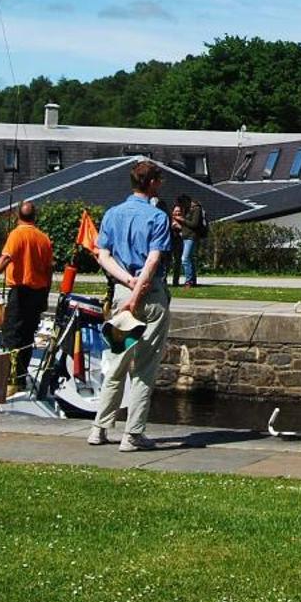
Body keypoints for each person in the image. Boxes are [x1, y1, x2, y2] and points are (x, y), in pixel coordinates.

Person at [88, 161, 172, 450]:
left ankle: (99, 428)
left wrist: (126, 281)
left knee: (116, 364)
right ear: (150, 183)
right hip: (148, 295)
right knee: (144, 368)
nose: (160, 185)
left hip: (123, 293)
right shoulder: (157, 217)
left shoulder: (112, 214)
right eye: (159, 180)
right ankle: (132, 434)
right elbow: (153, 258)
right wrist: (139, 289)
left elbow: (102, 254)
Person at [0, 200, 54, 388]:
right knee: (28, 336)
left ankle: (9, 378)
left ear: (17, 216)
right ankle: (20, 376)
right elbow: (48, 271)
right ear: (35, 217)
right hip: (38, 293)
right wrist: (45, 295)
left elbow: (6, 257)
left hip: (20, 293)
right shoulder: (44, 239)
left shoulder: (16, 234)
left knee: (12, 335)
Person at [168, 195, 203, 289]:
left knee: (185, 258)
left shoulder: (196, 209)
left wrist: (181, 220)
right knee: (190, 259)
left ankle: (189, 281)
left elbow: (194, 224)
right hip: (185, 236)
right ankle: (193, 280)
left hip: (191, 236)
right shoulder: (187, 210)